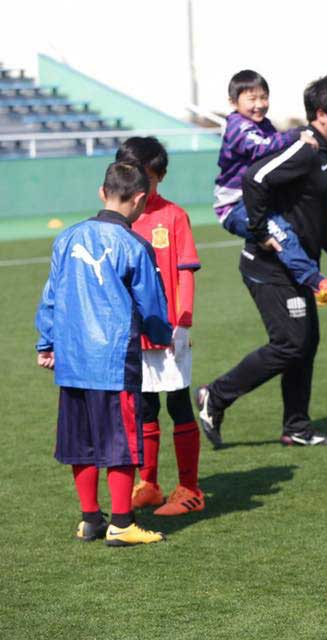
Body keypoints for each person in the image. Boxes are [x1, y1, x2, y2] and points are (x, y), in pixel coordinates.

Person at [196, 75, 327, 448]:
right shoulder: (303, 149)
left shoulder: (319, 153)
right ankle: (216, 395)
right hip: (269, 268)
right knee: (291, 343)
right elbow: (255, 180)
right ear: (322, 114)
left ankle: (297, 428)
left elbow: (318, 219)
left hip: (294, 267)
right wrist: (257, 229)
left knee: (305, 343)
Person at [35, 161, 172, 546]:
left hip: (73, 358)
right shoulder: (134, 245)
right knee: (121, 442)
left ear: (102, 192)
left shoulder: (67, 238)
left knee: (81, 441)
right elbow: (151, 305)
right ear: (141, 199)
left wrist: (46, 343)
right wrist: (161, 336)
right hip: (113, 359)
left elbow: (51, 296)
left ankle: (90, 519)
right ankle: (122, 523)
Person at [214, 69, 327, 305]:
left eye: (264, 98)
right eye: (251, 99)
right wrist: (296, 134)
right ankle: (316, 283)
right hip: (235, 206)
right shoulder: (237, 127)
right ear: (233, 102)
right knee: (282, 234)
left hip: (252, 200)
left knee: (323, 219)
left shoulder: (263, 124)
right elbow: (261, 152)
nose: (260, 105)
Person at [116, 137, 205, 516]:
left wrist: (183, 321)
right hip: (132, 330)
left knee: (178, 402)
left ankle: (189, 489)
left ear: (160, 177)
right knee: (144, 406)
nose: (139, 186)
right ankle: (149, 484)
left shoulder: (174, 216)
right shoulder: (118, 220)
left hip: (168, 331)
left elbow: (186, 272)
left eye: (146, 179)